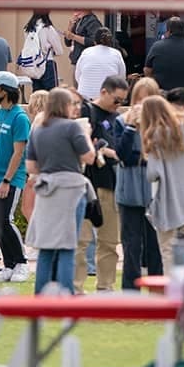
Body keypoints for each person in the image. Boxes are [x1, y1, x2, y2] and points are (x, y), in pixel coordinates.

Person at [24, 88, 94, 292]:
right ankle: (65, 293)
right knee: (67, 246)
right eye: (73, 104)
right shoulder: (72, 128)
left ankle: (41, 294)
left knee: (46, 247)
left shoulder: (38, 129)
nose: (76, 107)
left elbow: (30, 167)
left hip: (46, 188)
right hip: (71, 188)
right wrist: (87, 135)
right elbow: (89, 157)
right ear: (64, 105)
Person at [142, 93, 184, 263]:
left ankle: (171, 288)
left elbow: (152, 174)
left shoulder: (155, 136)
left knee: (167, 251)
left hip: (168, 202)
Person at [75, 75, 127, 292]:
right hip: (88, 184)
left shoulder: (117, 118)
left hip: (111, 182)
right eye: (116, 100)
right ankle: (75, 287)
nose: (118, 105)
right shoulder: (87, 111)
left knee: (110, 241)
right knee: (82, 239)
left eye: (122, 101)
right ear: (104, 92)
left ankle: (106, 286)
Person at [116, 77, 166, 288]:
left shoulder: (162, 125)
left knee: (155, 246)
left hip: (155, 190)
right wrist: (130, 127)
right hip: (130, 188)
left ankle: (157, 291)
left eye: (147, 100)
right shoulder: (122, 121)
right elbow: (123, 154)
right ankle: (130, 292)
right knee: (131, 245)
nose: (141, 105)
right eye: (138, 99)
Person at [0, 72, 32, 284]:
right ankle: (9, 264)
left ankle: (21, 262)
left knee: (5, 219)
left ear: (5, 90)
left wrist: (7, 180)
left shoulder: (19, 118)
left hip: (10, 178)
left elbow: (18, 152)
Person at [144, 15, 184, 92]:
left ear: (168, 31)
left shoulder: (156, 47)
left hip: (163, 96)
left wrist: (155, 88)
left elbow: (147, 70)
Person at [18, 11, 67, 92]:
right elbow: (59, 51)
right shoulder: (48, 28)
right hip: (47, 63)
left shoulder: (27, 28)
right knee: (51, 94)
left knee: (37, 94)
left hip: (33, 64)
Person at [73, 26, 126, 99]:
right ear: (110, 41)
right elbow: (121, 78)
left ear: (94, 41)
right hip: (108, 98)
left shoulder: (86, 52)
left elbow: (78, 76)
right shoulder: (116, 54)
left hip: (85, 98)